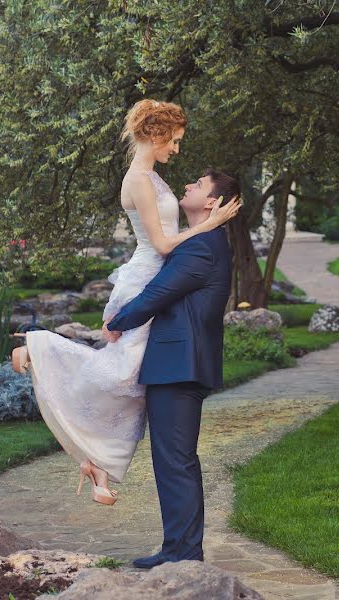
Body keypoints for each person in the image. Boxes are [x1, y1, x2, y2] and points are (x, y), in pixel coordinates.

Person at [10, 99, 241, 507]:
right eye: (175, 140)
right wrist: (210, 224)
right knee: (120, 372)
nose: (177, 149)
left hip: (156, 274)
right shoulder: (138, 178)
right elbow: (164, 244)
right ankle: (40, 347)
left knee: (131, 382)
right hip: (146, 277)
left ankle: (97, 461)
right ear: (156, 134)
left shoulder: (152, 176)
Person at [104, 165, 238, 569]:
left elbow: (159, 293)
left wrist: (116, 320)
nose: (188, 183)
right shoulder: (203, 241)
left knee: (175, 461)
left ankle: (183, 553)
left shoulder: (203, 246)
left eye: (197, 183)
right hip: (178, 364)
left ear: (211, 202)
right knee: (174, 460)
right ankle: (179, 548)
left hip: (180, 366)